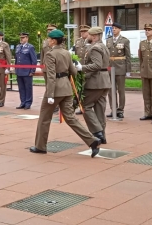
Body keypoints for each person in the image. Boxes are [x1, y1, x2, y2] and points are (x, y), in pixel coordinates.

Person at [31, 29, 101, 157]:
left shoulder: (50, 54)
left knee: (44, 118)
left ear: (53, 41)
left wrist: (50, 94)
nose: (48, 41)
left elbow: (51, 76)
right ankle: (92, 141)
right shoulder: (66, 53)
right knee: (71, 118)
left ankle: (40, 146)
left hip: (55, 89)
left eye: (49, 39)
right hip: (67, 88)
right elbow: (73, 72)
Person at [76, 27, 110, 143]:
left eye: (89, 35)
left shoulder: (95, 48)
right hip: (104, 81)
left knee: (85, 106)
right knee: (100, 109)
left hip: (95, 82)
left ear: (94, 36)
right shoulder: (103, 46)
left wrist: (82, 68)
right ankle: (102, 136)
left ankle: (97, 132)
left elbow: (97, 65)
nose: (87, 37)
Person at [106, 23, 131, 118]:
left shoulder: (125, 41)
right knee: (111, 90)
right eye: (113, 28)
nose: (114, 30)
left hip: (120, 67)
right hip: (110, 67)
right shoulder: (108, 40)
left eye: (116, 28)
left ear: (120, 29)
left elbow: (128, 56)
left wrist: (128, 70)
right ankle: (113, 109)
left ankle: (120, 110)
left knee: (120, 90)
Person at [14, 32, 37, 109]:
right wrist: (15, 69)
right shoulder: (18, 47)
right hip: (19, 71)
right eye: (20, 37)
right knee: (21, 88)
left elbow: (33, 60)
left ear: (27, 38)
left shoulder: (30, 47)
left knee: (28, 88)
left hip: (27, 71)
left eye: (23, 38)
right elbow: (16, 59)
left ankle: (28, 103)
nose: (21, 39)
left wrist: (32, 71)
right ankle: (22, 102)